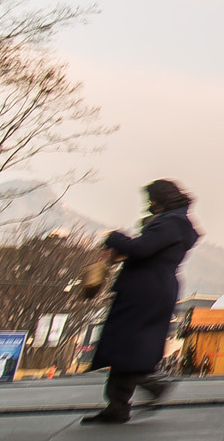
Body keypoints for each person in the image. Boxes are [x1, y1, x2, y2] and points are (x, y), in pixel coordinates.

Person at [84, 180, 199, 425]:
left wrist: (114, 237)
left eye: (151, 199)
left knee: (127, 344)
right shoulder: (178, 222)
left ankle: (150, 384)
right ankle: (118, 405)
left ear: (161, 199)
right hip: (152, 288)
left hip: (145, 290)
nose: (149, 204)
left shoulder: (171, 222)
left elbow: (142, 249)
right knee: (128, 345)